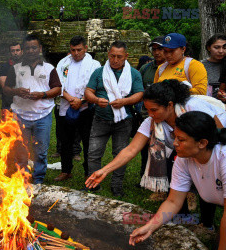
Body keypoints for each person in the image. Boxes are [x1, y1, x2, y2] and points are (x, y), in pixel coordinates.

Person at [86, 80, 226, 223]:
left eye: (154, 110)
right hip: (188, 149)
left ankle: (207, 223)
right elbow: (131, 149)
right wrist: (104, 171)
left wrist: (203, 157)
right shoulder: (151, 122)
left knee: (206, 175)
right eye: (148, 110)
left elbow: (217, 132)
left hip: (219, 138)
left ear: (170, 105)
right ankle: (182, 216)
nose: (150, 114)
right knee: (173, 168)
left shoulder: (193, 107)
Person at [129, 111, 226, 250]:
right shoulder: (183, 158)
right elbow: (173, 201)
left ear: (202, 143)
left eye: (181, 139)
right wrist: (150, 226)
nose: (175, 144)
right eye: (175, 137)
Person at [84, 41, 144, 196]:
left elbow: (139, 94)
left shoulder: (133, 74)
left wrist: (124, 101)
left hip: (124, 121)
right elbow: (88, 91)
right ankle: (92, 184)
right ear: (108, 55)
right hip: (100, 119)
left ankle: (117, 185)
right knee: (94, 152)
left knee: (120, 154)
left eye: (119, 56)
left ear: (126, 56)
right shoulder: (99, 72)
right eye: (112, 56)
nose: (115, 60)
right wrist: (97, 100)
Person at [4, 35, 62, 184]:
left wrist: (42, 94)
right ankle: (22, 179)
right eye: (28, 48)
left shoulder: (49, 68)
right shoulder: (15, 68)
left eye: (34, 47)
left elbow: (57, 89)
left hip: (43, 115)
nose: (31, 50)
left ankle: (38, 180)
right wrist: (17, 91)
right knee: (21, 151)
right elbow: (6, 89)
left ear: (40, 49)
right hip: (20, 115)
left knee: (41, 152)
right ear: (23, 50)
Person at [54, 36, 100, 182]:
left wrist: (81, 100)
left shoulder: (94, 64)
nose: (76, 53)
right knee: (65, 141)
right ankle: (66, 170)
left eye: (79, 50)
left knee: (87, 142)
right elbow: (58, 84)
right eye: (73, 50)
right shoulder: (63, 63)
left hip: (86, 108)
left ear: (86, 48)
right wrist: (69, 98)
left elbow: (97, 85)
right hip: (65, 105)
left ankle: (88, 172)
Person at [137, 36, 166, 181]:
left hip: (165, 117)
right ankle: (144, 175)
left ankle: (162, 181)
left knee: (162, 151)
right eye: (154, 49)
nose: (156, 52)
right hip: (145, 115)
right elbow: (139, 89)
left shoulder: (170, 68)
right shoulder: (146, 68)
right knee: (145, 149)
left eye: (160, 49)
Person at [0, 42, 22, 111]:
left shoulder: (28, 66)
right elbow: (5, 87)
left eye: (17, 50)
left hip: (24, 106)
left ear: (22, 51)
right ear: (10, 53)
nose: (15, 53)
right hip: (8, 105)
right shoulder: (5, 67)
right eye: (13, 51)